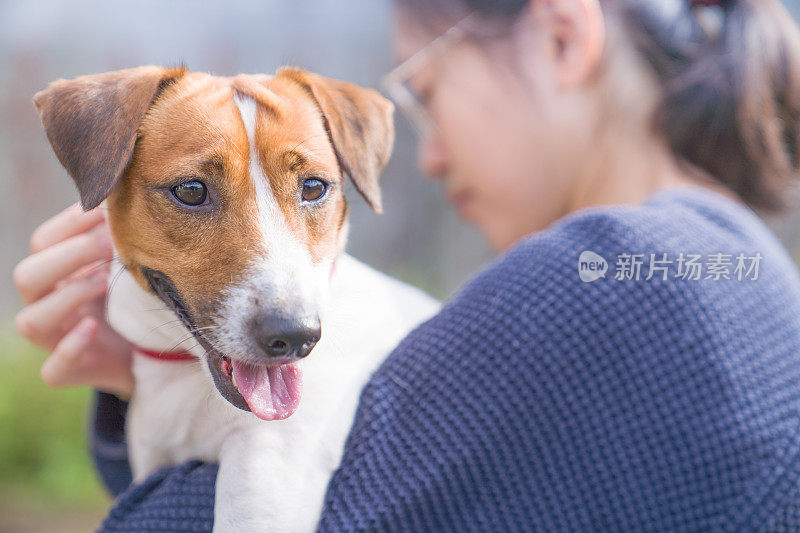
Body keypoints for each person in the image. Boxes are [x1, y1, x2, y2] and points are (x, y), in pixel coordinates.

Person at [14, 0, 800, 529]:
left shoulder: (626, 277)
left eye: (426, 90)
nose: (427, 157)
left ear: (562, 36)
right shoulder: (739, 269)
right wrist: (149, 372)